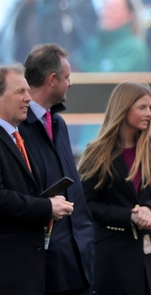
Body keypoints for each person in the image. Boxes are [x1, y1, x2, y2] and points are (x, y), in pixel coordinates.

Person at [78, 80, 151, 295]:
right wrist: (128, 216)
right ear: (123, 108)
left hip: (150, 253)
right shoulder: (97, 152)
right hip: (112, 255)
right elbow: (87, 204)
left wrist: (149, 209)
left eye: (150, 107)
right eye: (142, 107)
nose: (148, 113)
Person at [19, 44, 94, 295]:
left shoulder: (58, 123)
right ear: (53, 79)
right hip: (45, 264)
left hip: (77, 258)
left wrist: (85, 238)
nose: (70, 84)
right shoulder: (16, 129)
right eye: (68, 77)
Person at [0, 64, 74, 295]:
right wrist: (46, 207)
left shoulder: (16, 136)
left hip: (27, 271)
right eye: (20, 92)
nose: (28, 99)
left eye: (28, 92)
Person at [78, 0, 150, 72]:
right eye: (105, 6)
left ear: (129, 14)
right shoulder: (92, 45)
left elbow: (112, 80)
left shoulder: (134, 48)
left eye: (114, 8)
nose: (107, 12)